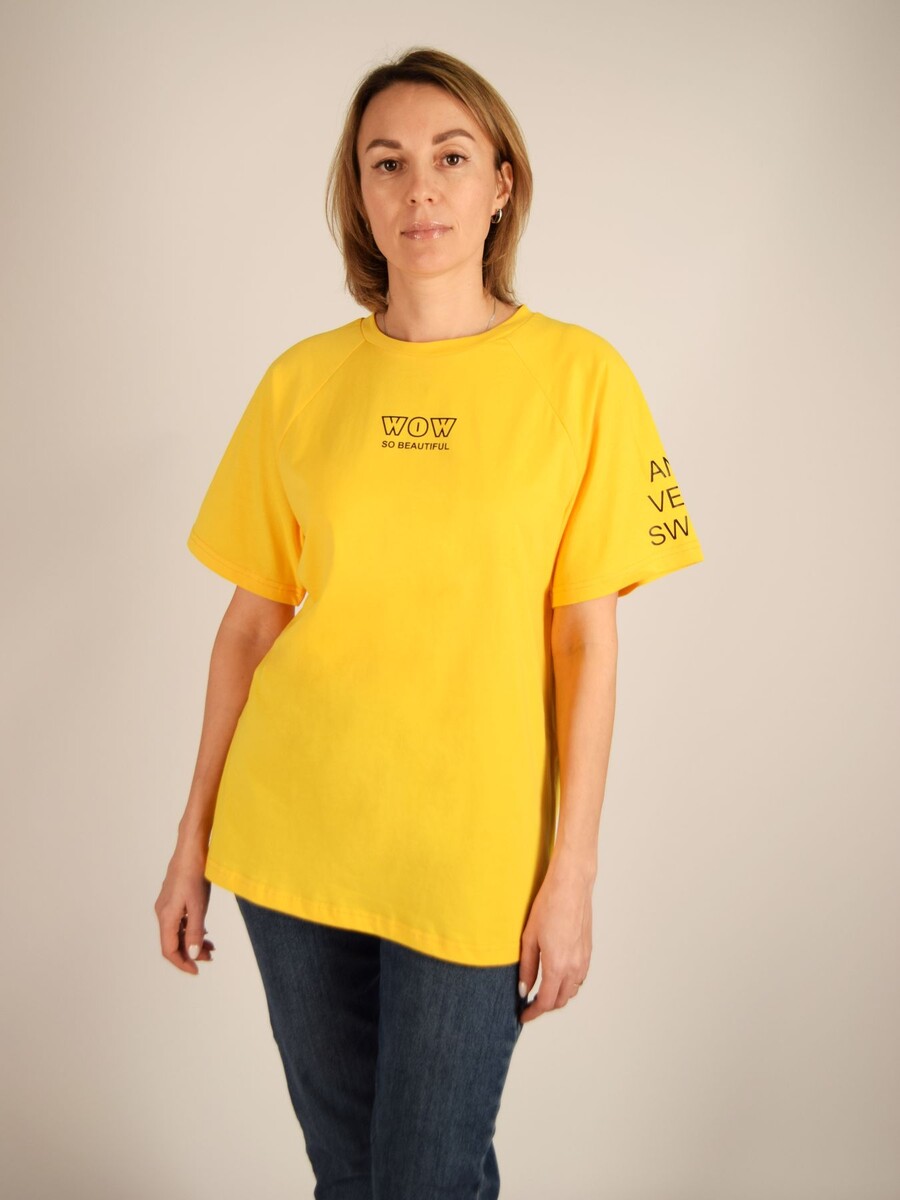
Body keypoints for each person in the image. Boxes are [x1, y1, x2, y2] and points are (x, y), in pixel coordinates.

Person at [155, 45, 704, 1200]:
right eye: (387, 162)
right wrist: (192, 837)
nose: (420, 189)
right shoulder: (302, 382)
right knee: (348, 1177)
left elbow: (585, 640)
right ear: (358, 193)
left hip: (473, 856)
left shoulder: (582, 378)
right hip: (293, 836)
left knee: (425, 1178)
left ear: (502, 182)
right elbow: (250, 625)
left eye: (452, 158)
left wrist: (573, 871)